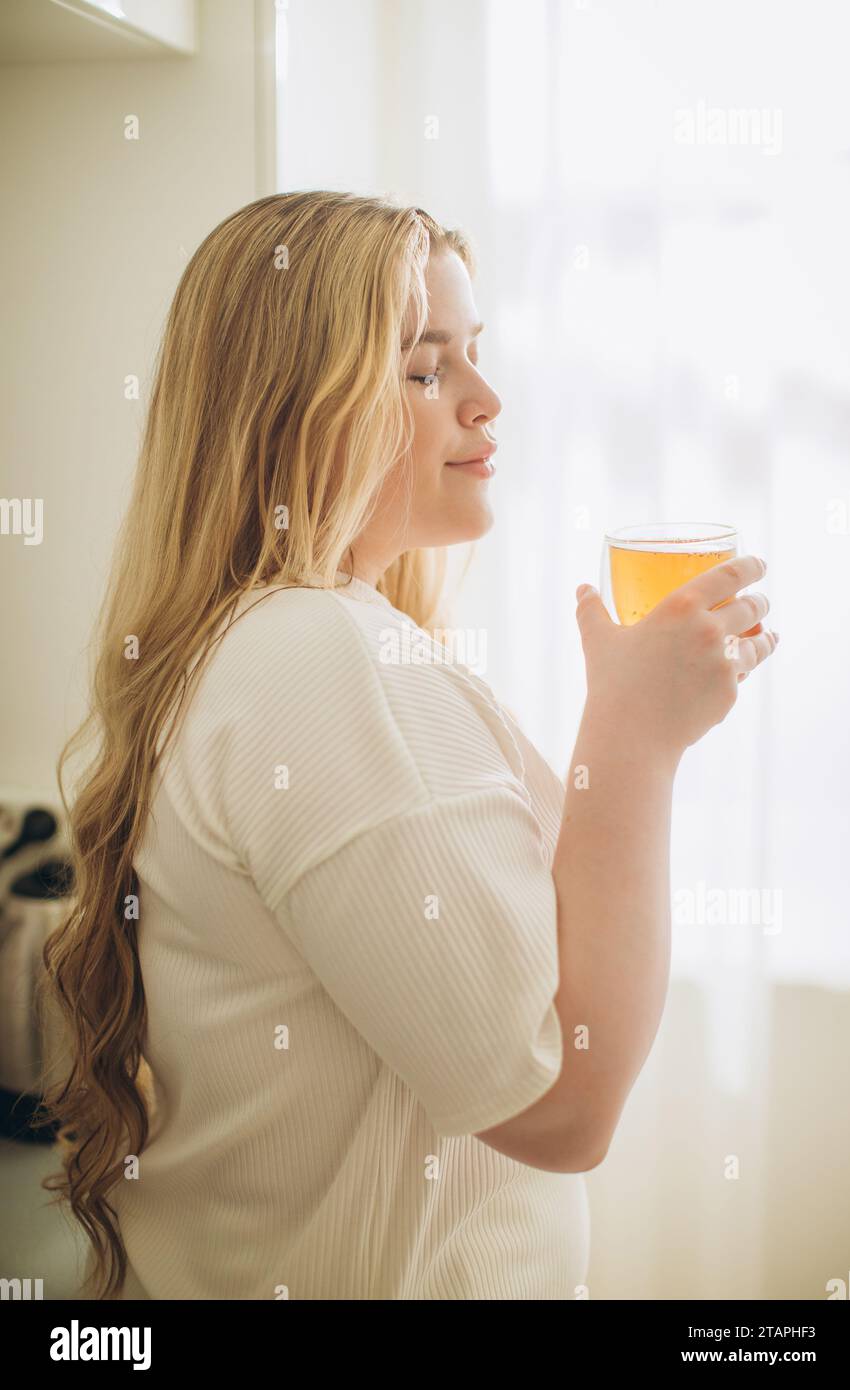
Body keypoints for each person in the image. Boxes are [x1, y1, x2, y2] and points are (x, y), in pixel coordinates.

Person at [37, 191, 778, 1301]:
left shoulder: (283, 649)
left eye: (472, 354)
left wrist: (635, 732)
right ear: (292, 407)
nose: (484, 401)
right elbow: (563, 1107)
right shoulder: (322, 663)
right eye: (424, 369)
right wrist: (634, 740)